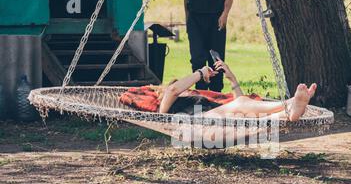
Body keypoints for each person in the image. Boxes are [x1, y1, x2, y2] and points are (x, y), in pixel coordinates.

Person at [120, 61, 317, 122]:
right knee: (241, 106)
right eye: (184, 89)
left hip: (220, 118)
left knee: (253, 116)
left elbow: (240, 101)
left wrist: (231, 78)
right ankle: (288, 104)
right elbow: (173, 89)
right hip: (199, 123)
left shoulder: (197, 98)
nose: (187, 91)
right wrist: (200, 73)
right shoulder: (166, 109)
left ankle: (289, 112)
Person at [183, 0, 233, 92]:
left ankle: (216, 96)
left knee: (216, 60)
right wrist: (188, 21)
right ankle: (200, 100)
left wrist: (225, 15)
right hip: (194, 20)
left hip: (216, 20)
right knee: (197, 59)